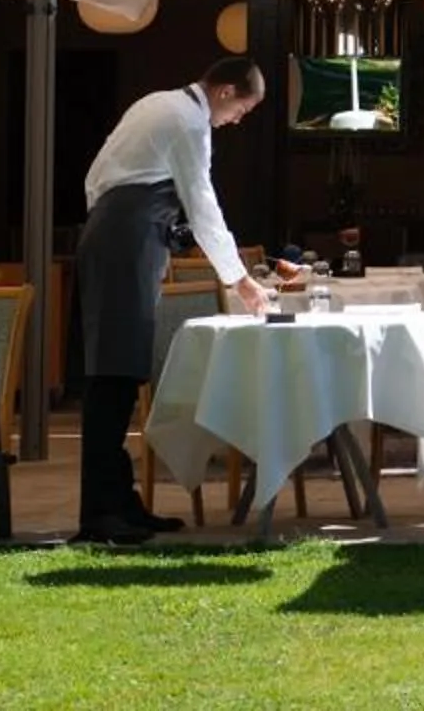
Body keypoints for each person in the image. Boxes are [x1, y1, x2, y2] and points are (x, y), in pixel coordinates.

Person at [73, 57, 269, 544]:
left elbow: (96, 180)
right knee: (113, 376)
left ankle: (120, 502)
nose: (237, 120)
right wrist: (240, 280)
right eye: (242, 109)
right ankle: (100, 514)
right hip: (127, 239)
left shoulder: (154, 103)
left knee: (118, 369)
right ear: (224, 91)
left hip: (113, 229)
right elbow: (202, 204)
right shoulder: (188, 122)